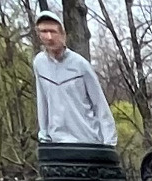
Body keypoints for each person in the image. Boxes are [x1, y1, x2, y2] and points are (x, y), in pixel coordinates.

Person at [32, 6, 115, 149]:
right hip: (58, 143)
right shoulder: (39, 63)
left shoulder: (80, 65)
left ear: (63, 34)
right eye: (44, 32)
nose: (49, 37)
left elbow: (99, 104)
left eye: (53, 31)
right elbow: (43, 100)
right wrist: (44, 132)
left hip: (87, 140)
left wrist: (109, 143)